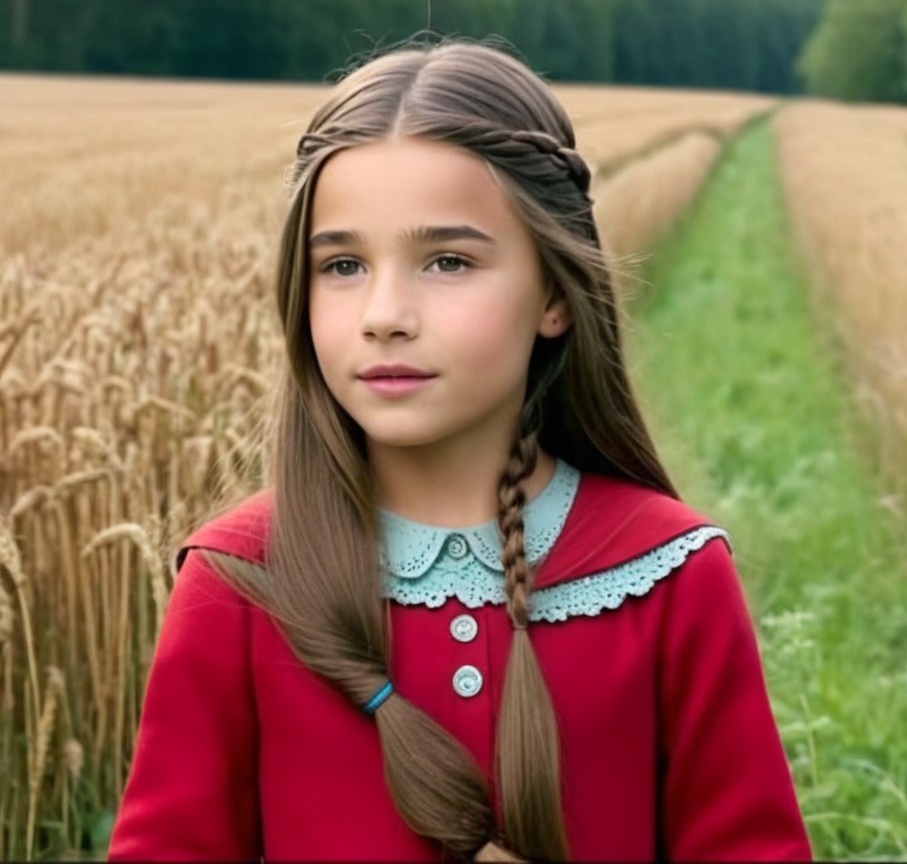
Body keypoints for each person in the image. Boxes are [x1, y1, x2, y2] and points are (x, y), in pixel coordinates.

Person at [108, 39, 812, 862]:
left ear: (554, 294)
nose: (385, 314)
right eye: (342, 265)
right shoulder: (237, 584)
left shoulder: (668, 576)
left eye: (448, 261)